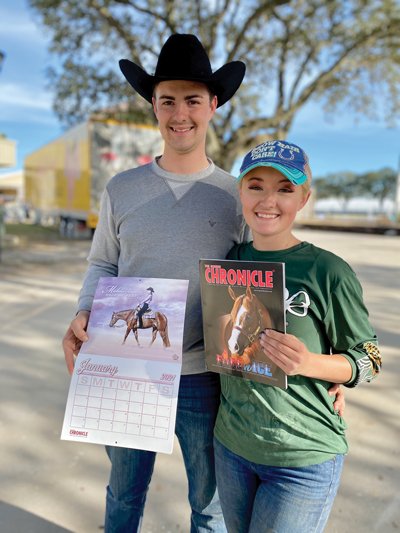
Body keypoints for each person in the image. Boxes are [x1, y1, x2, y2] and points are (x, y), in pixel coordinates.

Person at [62, 33, 248, 533]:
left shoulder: (237, 197)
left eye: (193, 100)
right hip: (127, 367)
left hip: (207, 376)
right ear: (153, 106)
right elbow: (103, 263)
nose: (180, 113)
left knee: (210, 507)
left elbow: (261, 284)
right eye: (168, 101)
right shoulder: (121, 189)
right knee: (123, 496)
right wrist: (84, 311)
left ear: (213, 105)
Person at [213, 140, 382, 533]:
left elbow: (370, 359)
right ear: (240, 192)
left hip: (302, 458)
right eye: (256, 186)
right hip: (231, 448)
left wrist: (311, 363)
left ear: (303, 199)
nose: (268, 200)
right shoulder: (228, 261)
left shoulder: (328, 271)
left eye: (285, 189)